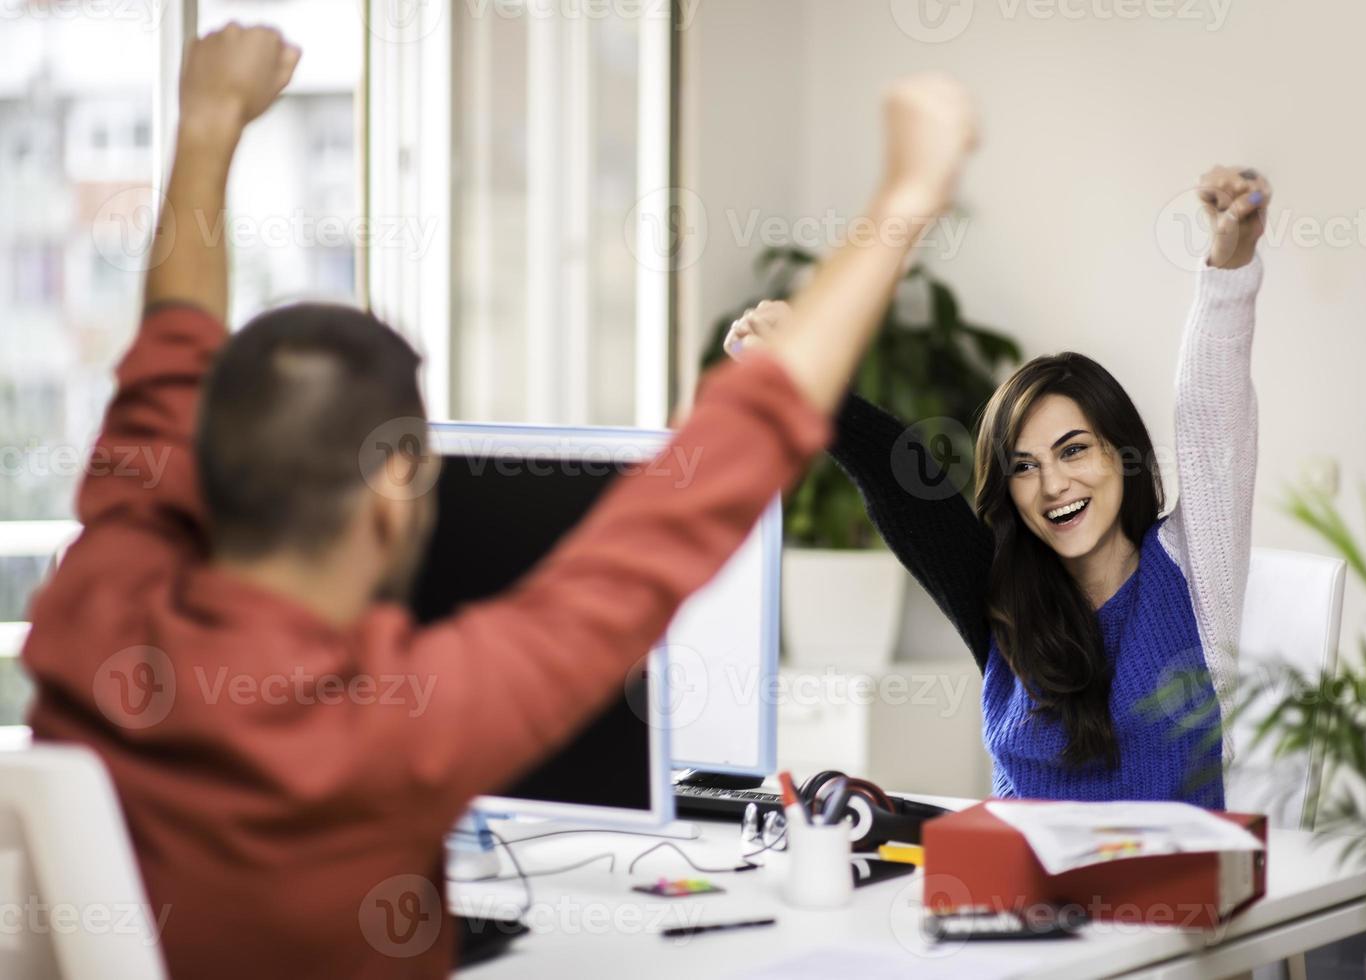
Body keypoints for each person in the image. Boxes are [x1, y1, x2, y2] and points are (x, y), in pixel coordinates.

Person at [20, 24, 978, 979]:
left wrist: (210, 120)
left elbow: (170, 359)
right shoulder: (406, 721)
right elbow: (707, 483)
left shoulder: (103, 587)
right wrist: (905, 197)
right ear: (394, 489)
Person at [724, 166, 1271, 809]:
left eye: (1074, 450)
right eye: (1023, 465)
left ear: (1122, 457)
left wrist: (1229, 270)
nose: (1052, 484)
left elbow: (1213, 421)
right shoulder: (1006, 596)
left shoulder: (1191, 571)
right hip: (1016, 900)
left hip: (1163, 901)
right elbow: (907, 491)